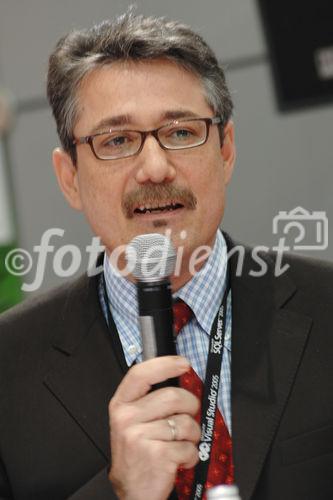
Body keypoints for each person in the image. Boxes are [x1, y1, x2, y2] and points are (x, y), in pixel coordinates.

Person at [0, 11, 332, 500]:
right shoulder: (9, 367)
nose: (155, 168)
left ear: (226, 150)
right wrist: (120, 492)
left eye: (180, 132)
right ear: (69, 177)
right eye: (116, 141)